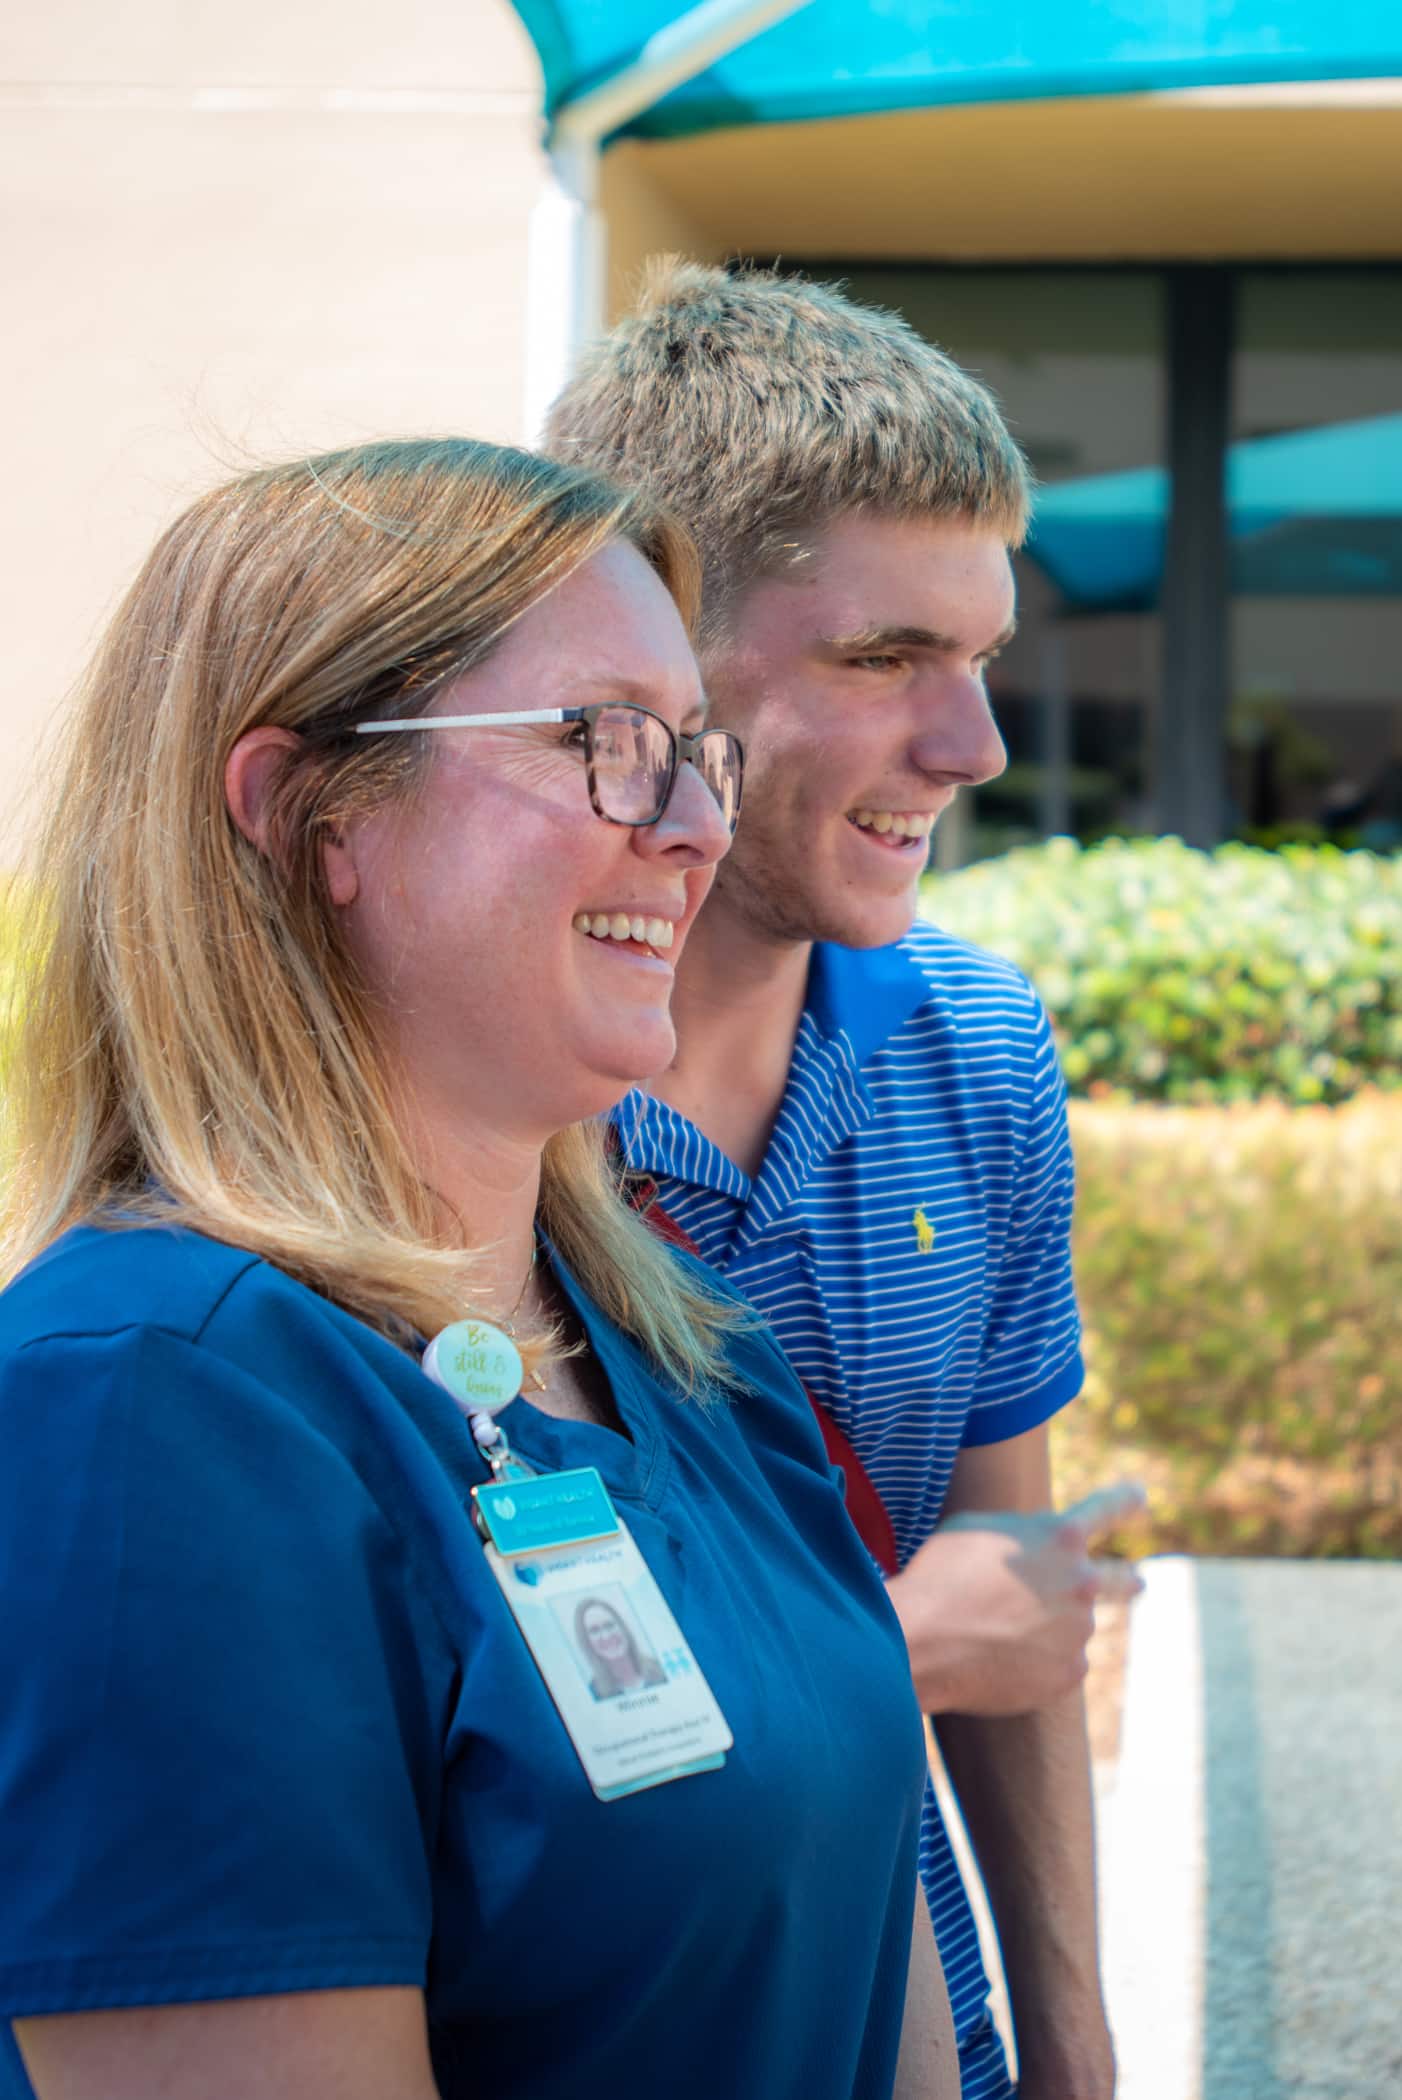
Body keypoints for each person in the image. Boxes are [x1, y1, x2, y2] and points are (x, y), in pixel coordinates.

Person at [0, 438, 955, 2100]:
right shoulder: (148, 1408)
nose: (693, 830)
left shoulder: (690, 1347)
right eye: (601, 741)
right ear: (304, 812)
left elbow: (875, 1945)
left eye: (696, 752)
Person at [547, 262, 1145, 2100]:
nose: (970, 751)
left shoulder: (974, 1045)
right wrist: (890, 1647)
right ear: (641, 663)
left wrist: (1070, 2055)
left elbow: (1008, 1575)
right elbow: (432, 1740)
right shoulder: (465, 1106)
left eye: (982, 659)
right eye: (883, 659)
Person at [573, 1596, 667, 1698]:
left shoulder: (662, 1668)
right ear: (587, 1643)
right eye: (594, 1631)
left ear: (622, 1627)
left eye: (609, 1625)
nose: (606, 1636)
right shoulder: (593, 1694)